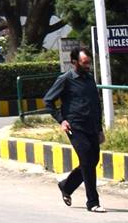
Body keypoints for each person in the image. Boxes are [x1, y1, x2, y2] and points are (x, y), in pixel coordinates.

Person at [43, 47, 104, 213]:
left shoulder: (90, 78)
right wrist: (61, 120)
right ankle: (93, 202)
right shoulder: (65, 79)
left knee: (92, 161)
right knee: (86, 161)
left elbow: (96, 105)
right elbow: (48, 101)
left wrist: (100, 129)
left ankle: (66, 186)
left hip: (91, 127)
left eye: (89, 63)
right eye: (85, 63)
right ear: (74, 62)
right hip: (75, 127)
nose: (88, 66)